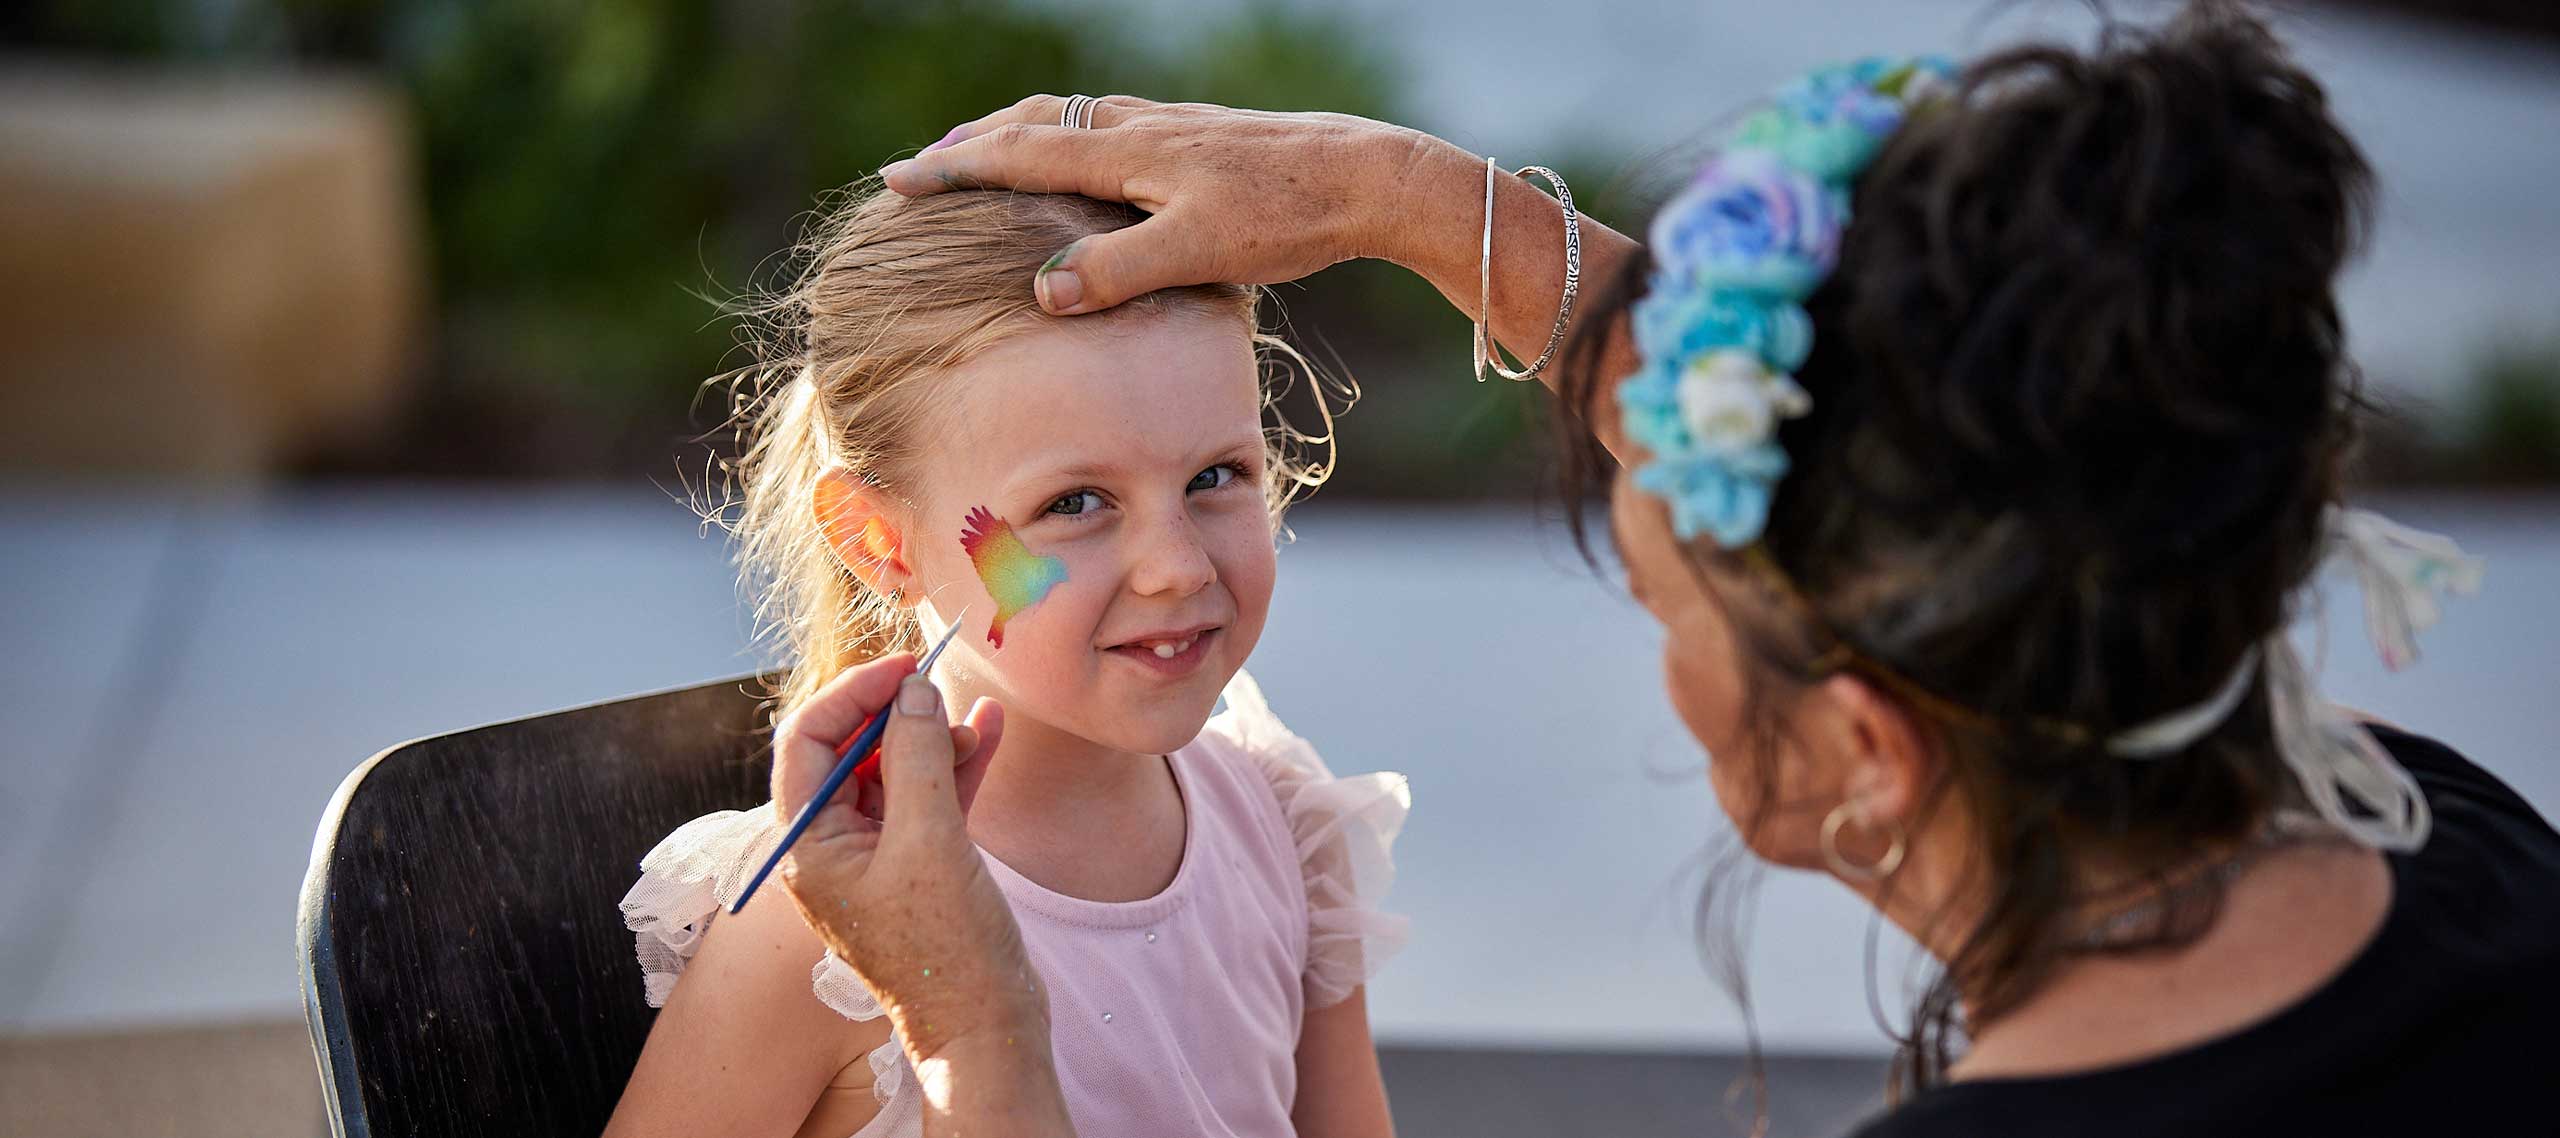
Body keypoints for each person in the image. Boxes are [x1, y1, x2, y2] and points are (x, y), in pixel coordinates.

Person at [759, 3, 2560, 1136]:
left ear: (1867, 747)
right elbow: (1858, 446)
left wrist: (981, 1035)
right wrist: (1400, 198)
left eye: (1669, 592)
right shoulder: (2455, 856)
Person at [603, 185, 1408, 1138]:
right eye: (1074, 504)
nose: (1179, 567)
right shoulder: (817, 934)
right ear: (880, 541)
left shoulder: (1283, 829)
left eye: (1215, 476)